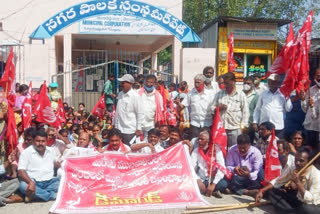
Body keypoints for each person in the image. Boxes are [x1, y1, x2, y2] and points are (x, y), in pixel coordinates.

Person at [266, 147, 320, 213]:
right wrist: (262, 190)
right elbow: (279, 181)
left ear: (309, 161)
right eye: (296, 160)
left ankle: (288, 211)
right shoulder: (294, 168)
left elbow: (311, 200)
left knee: (307, 209)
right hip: (297, 200)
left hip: (312, 205)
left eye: (301, 161)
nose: (297, 163)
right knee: (273, 192)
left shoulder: (316, 175)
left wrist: (298, 183)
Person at [18, 130, 61, 202]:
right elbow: (21, 170)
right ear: (33, 141)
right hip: (34, 182)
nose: (40, 143)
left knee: (63, 182)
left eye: (43, 141)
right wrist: (31, 183)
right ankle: (52, 195)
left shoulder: (51, 151)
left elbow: (56, 164)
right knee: (23, 186)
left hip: (50, 182)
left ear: (46, 141)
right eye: (38, 141)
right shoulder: (26, 152)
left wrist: (57, 165)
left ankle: (35, 195)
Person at [211, 72, 249, 148]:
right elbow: (212, 108)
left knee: (235, 149)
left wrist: (243, 127)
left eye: (228, 83)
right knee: (221, 150)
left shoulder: (241, 95)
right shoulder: (219, 94)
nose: (225, 85)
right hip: (221, 128)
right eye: (224, 83)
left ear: (234, 82)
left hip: (235, 128)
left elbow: (245, 112)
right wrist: (218, 108)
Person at [191, 129, 228, 198]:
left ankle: (209, 190)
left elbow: (221, 168)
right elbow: (191, 168)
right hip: (201, 178)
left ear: (208, 141)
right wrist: (198, 180)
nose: (199, 141)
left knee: (223, 184)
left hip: (212, 179)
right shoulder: (196, 151)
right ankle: (212, 191)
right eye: (198, 139)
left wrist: (213, 184)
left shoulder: (217, 150)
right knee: (191, 183)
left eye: (202, 139)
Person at [253, 74, 293, 138]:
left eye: (273, 82)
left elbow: (289, 109)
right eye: (269, 82)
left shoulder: (283, 93)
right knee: (264, 145)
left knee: (277, 145)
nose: (271, 84)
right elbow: (257, 109)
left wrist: (287, 97)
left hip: (278, 126)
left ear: (278, 83)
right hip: (264, 126)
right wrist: (255, 122)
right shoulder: (263, 94)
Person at [180, 74, 214, 139]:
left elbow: (214, 107)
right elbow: (182, 105)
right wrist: (178, 104)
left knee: (206, 144)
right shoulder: (190, 93)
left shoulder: (210, 94)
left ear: (203, 83)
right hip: (194, 124)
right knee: (193, 143)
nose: (196, 84)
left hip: (207, 123)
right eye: (195, 82)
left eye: (198, 82)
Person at [113, 74, 144, 146]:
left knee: (129, 150)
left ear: (130, 83)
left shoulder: (135, 96)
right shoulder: (120, 94)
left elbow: (140, 113)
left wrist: (138, 128)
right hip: (120, 129)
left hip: (130, 130)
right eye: (121, 83)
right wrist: (115, 125)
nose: (121, 84)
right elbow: (118, 112)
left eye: (123, 83)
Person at [300, 68, 320, 151]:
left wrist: (312, 107)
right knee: (308, 150)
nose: (319, 78)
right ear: (314, 77)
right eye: (318, 76)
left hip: (318, 127)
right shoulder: (310, 90)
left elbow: (315, 115)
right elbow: (305, 110)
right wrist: (303, 99)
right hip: (309, 126)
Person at [243, 76, 259, 143]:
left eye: (248, 83)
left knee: (249, 141)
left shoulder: (256, 96)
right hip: (241, 123)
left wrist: (255, 123)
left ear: (252, 84)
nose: (246, 85)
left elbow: (257, 110)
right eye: (245, 83)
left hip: (250, 124)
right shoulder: (240, 94)